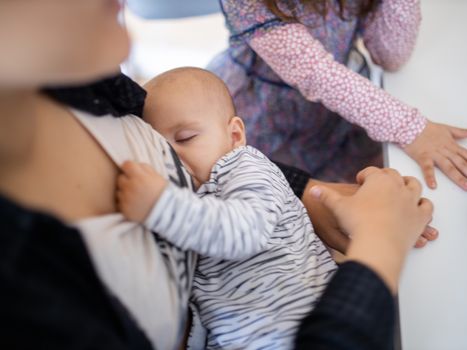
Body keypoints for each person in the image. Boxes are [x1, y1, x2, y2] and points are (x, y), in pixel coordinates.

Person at [0, 1, 433, 349]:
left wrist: (306, 196)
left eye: (184, 138)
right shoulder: (28, 290)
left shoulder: (85, 79)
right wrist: (380, 245)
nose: (176, 158)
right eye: (170, 144)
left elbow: (227, 166)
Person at [117, 67, 339, 349]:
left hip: (296, 328)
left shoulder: (246, 167)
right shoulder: (194, 200)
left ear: (234, 135)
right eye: (161, 150)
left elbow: (244, 233)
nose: (174, 157)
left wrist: (160, 205)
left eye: (185, 138)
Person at [211, 0, 467, 190]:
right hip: (265, 115)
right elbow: (315, 72)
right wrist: (412, 129)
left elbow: (390, 57)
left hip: (339, 112)